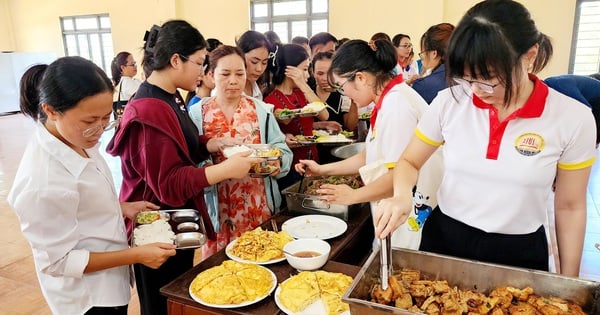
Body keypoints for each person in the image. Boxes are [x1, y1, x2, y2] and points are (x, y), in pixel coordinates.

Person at [377, 0, 597, 277]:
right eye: (466, 78)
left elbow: (569, 206)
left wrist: (569, 282)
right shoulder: (450, 102)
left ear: (529, 55)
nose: (476, 91)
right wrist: (400, 196)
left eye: (489, 79)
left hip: (519, 250)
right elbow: (409, 161)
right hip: (445, 239)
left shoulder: (572, 118)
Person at [106, 20, 263, 315]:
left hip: (175, 223)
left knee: (175, 296)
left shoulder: (170, 97)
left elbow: (178, 143)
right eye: (201, 63)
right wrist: (226, 170)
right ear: (175, 60)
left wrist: (208, 144)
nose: (204, 73)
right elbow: (169, 183)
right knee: (162, 304)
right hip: (158, 226)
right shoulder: (149, 108)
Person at [8, 57, 176, 315]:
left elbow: (79, 201)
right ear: (51, 110)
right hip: (87, 299)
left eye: (106, 117)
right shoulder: (41, 182)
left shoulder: (76, 139)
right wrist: (137, 255)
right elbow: (60, 262)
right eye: (89, 121)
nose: (99, 129)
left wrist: (122, 208)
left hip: (110, 282)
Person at [295, 39, 442, 249]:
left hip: (408, 214)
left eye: (342, 86)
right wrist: (322, 170)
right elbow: (370, 155)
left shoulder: (396, 107)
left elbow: (398, 174)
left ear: (361, 78)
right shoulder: (389, 100)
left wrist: (353, 196)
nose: (344, 93)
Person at [189, 45, 292, 258]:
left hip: (255, 205)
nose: (234, 81)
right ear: (211, 75)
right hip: (216, 209)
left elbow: (283, 150)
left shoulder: (260, 111)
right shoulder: (197, 114)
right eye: (225, 74)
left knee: (258, 263)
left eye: (239, 73)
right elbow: (189, 158)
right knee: (219, 273)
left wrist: (274, 164)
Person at [264, 43, 329, 189]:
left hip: (312, 161)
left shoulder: (301, 92)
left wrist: (302, 84)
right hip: (292, 167)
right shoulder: (270, 100)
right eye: (305, 69)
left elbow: (324, 114)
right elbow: (286, 119)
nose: (308, 75)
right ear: (290, 70)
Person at [411, 23, 455, 104]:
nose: (422, 56)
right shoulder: (466, 76)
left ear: (434, 53)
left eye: (423, 52)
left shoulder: (423, 85)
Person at [236, 30, 272, 100]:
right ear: (240, 56)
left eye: (264, 63)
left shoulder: (255, 87)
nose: (259, 69)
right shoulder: (228, 89)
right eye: (254, 62)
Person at [111, 51, 142, 118]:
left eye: (135, 63)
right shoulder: (127, 82)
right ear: (123, 67)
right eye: (132, 64)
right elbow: (144, 96)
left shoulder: (125, 81)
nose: (135, 67)